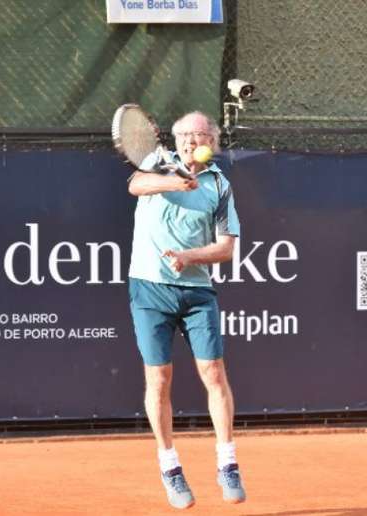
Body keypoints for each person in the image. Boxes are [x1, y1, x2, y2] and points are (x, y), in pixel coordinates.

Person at [127, 111, 246, 509]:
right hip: (149, 288)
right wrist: (173, 180)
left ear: (212, 140)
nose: (190, 141)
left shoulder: (219, 185)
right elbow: (136, 185)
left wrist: (189, 256)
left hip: (196, 291)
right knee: (159, 378)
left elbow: (226, 248)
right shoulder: (156, 162)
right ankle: (169, 467)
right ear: (174, 140)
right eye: (184, 135)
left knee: (213, 372)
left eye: (199, 135)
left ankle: (227, 463)